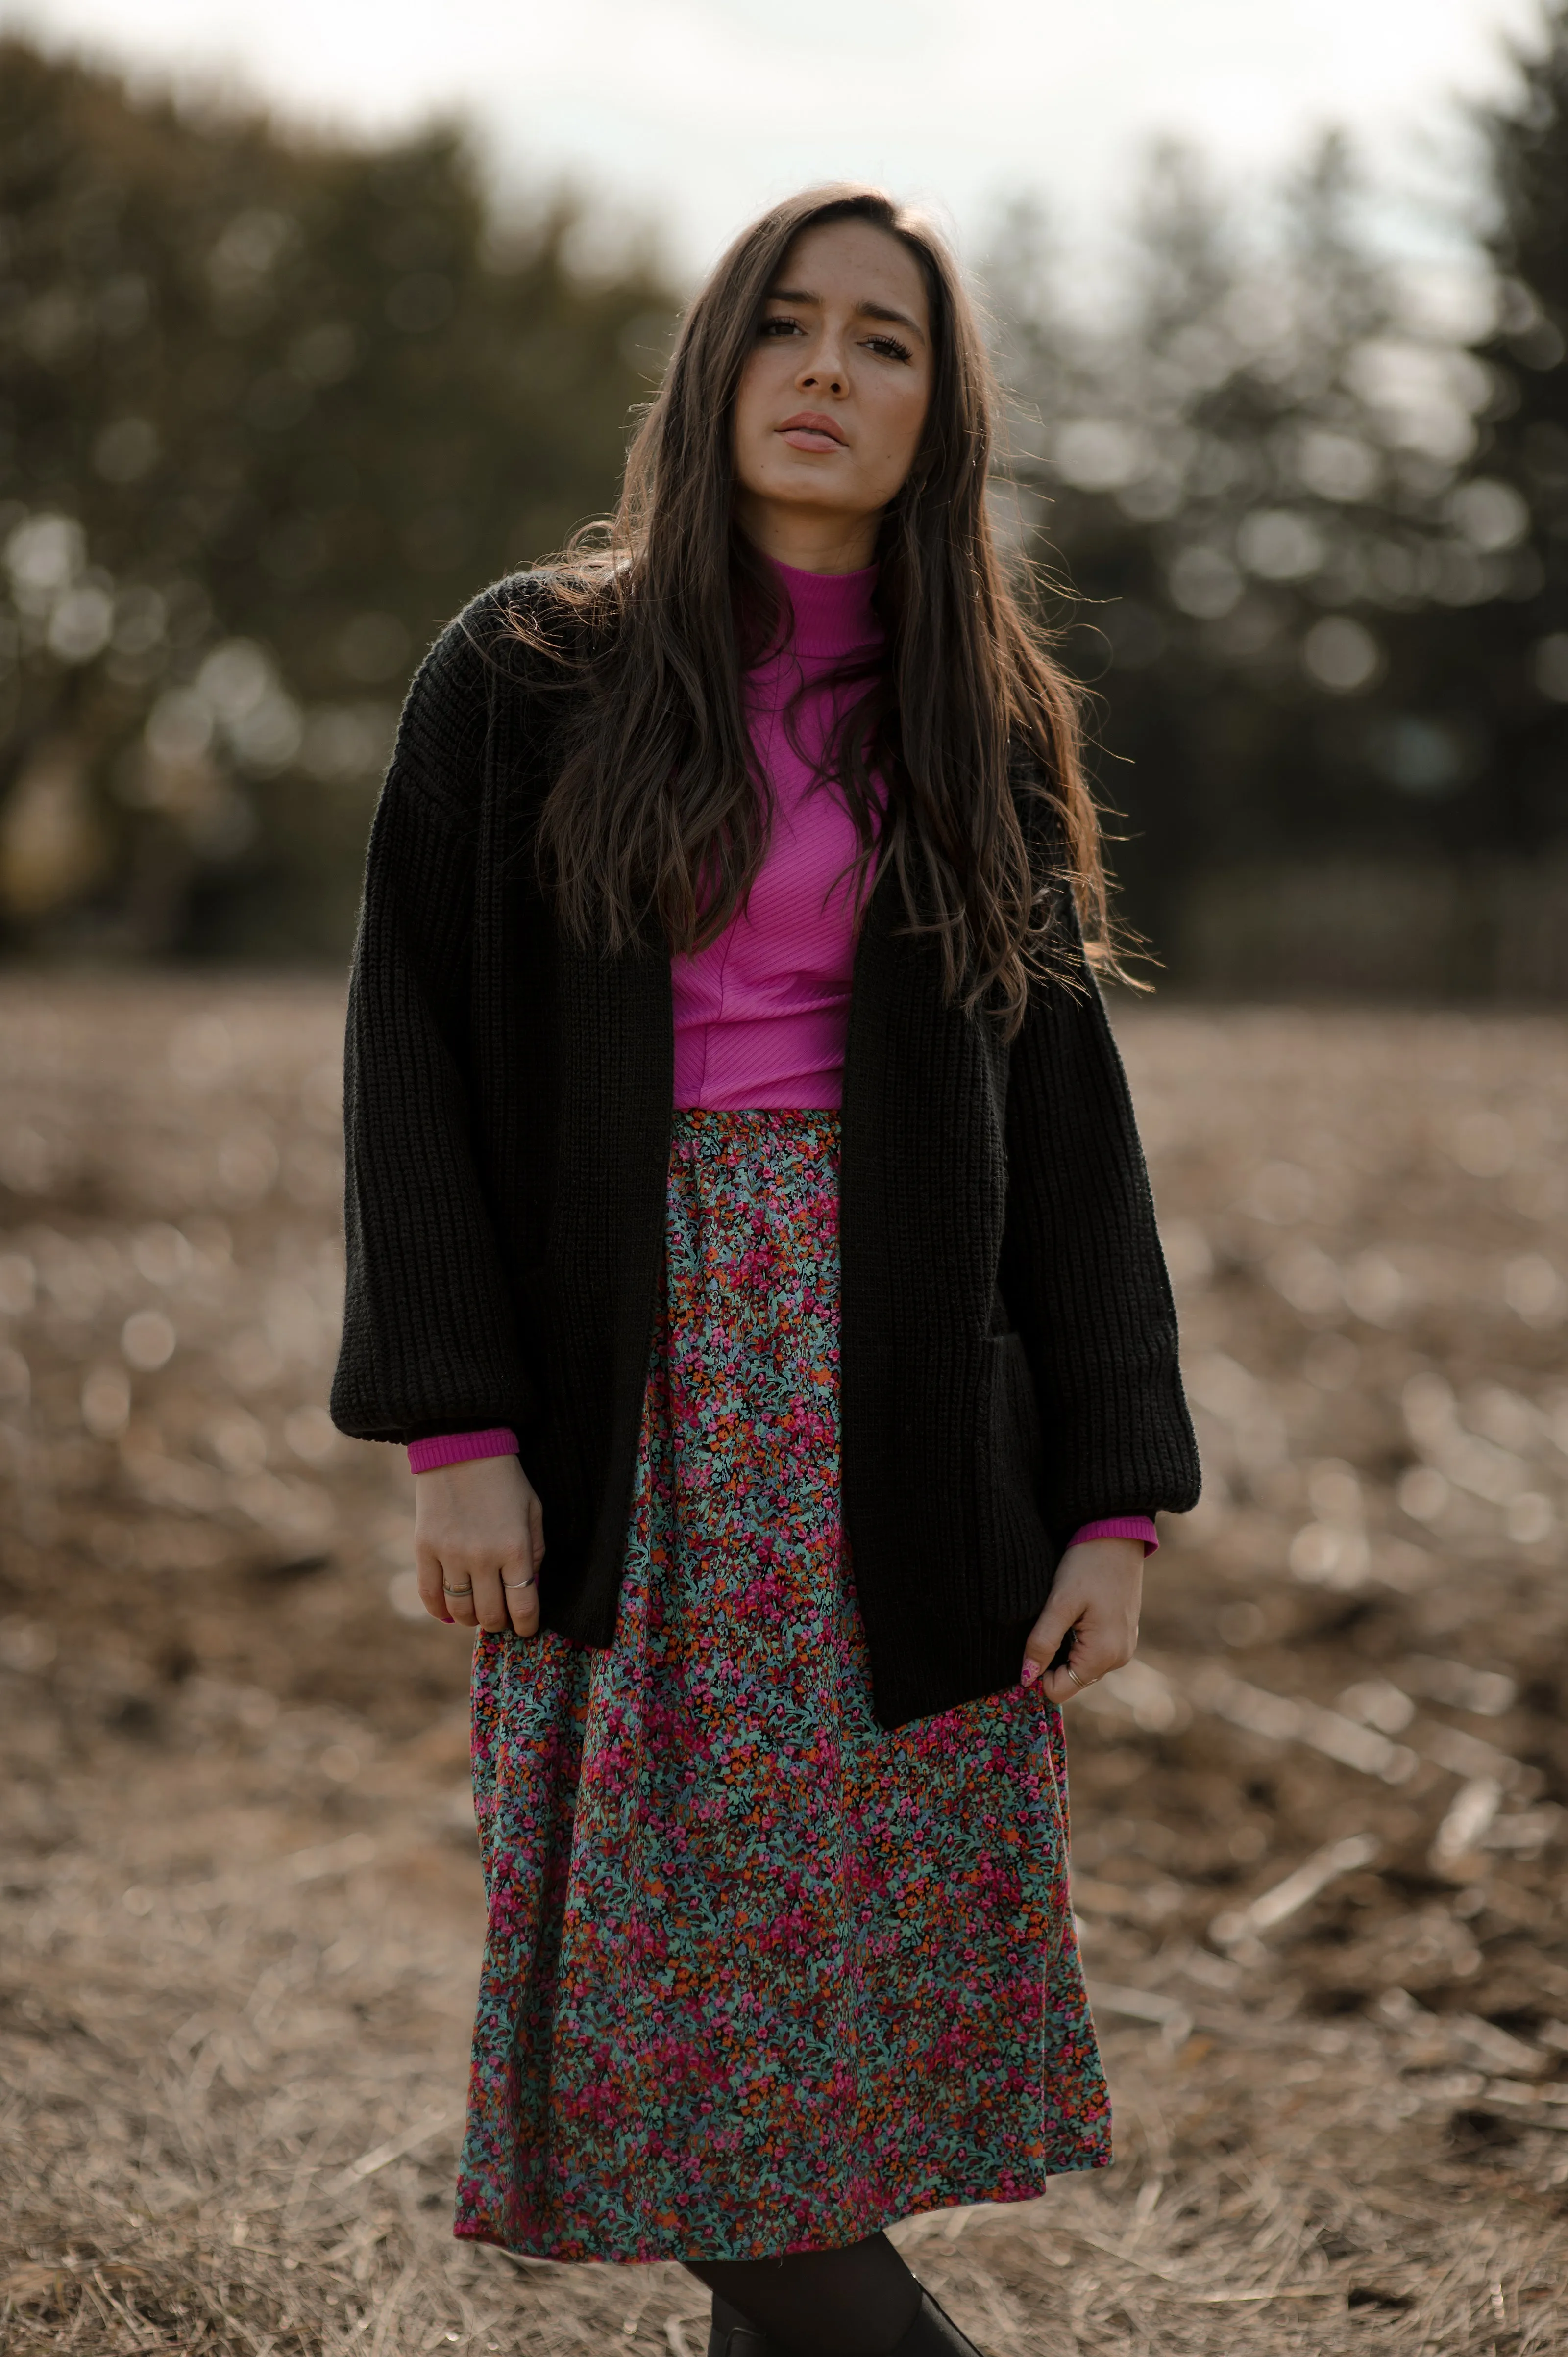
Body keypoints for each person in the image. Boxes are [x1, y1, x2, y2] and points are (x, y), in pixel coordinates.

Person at [330, 183, 1199, 2357]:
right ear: (714, 366)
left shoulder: (973, 714)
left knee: (815, 2038)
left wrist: (1112, 1494)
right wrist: (455, 1429)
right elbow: (407, 1052)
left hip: (900, 1417)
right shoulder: (526, 671)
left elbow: (1068, 1128)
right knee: (676, 2003)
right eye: (786, 327)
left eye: (884, 341)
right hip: (629, 1409)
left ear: (939, 410)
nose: (827, 370)